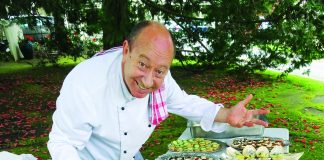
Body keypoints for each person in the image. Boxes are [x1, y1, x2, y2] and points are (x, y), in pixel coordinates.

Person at [47, 20, 269, 160]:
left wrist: (226, 115)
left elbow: (184, 102)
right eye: (142, 65)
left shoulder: (160, 75)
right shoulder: (86, 82)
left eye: (160, 71)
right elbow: (63, 143)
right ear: (126, 50)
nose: (148, 80)